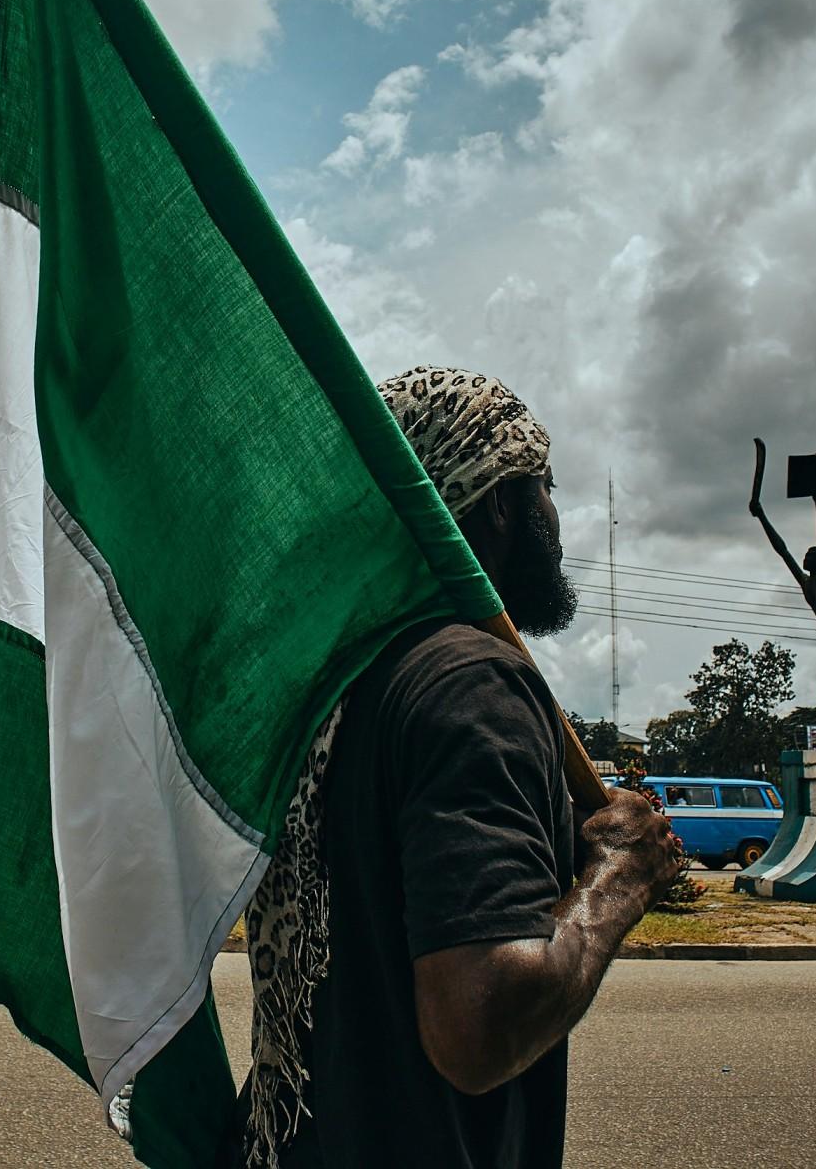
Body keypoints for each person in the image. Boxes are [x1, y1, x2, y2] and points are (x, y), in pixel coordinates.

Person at [233, 366, 686, 1169]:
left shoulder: (334, 684)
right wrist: (621, 876)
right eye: (545, 484)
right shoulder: (472, 683)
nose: (556, 513)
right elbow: (478, 1026)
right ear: (501, 501)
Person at [748, 448, 816, 748]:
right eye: (807, 553)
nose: (806, 555)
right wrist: (762, 516)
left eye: (812, 554)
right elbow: (781, 549)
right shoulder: (806, 583)